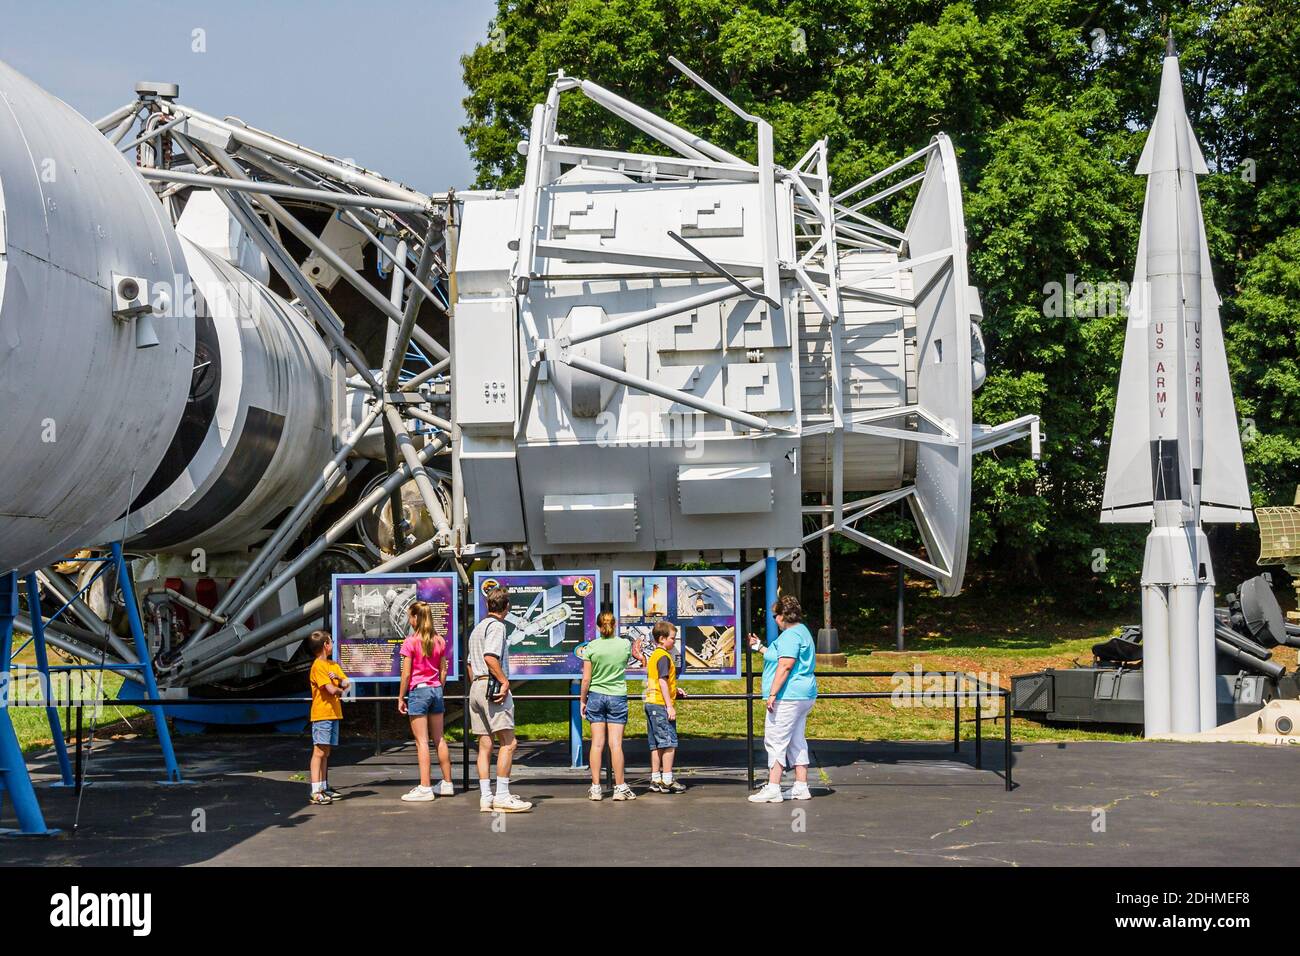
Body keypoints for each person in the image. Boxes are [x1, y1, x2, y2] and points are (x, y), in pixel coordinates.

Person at [746, 594, 818, 803]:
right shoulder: (801, 632)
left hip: (788, 696)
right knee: (796, 739)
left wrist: (773, 694)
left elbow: (785, 665)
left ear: (782, 616)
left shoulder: (789, 636)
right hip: (804, 694)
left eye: (775, 616)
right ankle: (801, 786)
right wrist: (759, 647)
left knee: (775, 740)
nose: (774, 620)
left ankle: (774, 787)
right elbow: (779, 656)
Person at [467, 586, 532, 813]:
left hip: (476, 686)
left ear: (487, 605)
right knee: (509, 742)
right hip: (491, 685)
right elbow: (490, 657)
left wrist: (478, 681)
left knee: (485, 744)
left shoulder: (477, 629)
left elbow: (469, 662)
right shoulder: (497, 627)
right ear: (507, 607)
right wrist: (503, 681)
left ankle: (486, 796)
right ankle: (502, 795)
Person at [578, 610, 643, 801]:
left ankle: (596, 788)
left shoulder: (591, 647)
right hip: (617, 696)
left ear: (598, 627)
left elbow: (586, 679)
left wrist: (583, 700)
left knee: (597, 744)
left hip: (596, 696)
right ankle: (620, 787)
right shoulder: (624, 644)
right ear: (614, 625)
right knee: (616, 745)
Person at [397, 601, 454, 802]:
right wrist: (438, 687)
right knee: (439, 738)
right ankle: (447, 783)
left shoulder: (410, 642)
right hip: (436, 690)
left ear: (415, 618)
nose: (408, 619)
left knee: (422, 741)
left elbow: (406, 674)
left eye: (409, 616)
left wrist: (400, 697)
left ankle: (425, 787)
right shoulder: (439, 641)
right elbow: (444, 669)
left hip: (418, 692)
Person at [643, 620, 687, 793]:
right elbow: (662, 681)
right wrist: (670, 705)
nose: (674, 642)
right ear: (661, 639)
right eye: (672, 638)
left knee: (656, 744)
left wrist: (675, 690)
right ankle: (667, 779)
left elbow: (664, 681)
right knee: (669, 743)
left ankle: (656, 778)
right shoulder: (663, 656)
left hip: (651, 702)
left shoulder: (654, 655)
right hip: (660, 704)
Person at [307, 630, 350, 805]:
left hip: (333, 713)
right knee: (319, 751)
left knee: (326, 751)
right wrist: (341, 690)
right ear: (325, 645)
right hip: (322, 714)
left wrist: (339, 679)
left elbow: (348, 684)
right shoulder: (318, 666)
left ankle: (324, 786)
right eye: (331, 641)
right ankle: (315, 790)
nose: (332, 644)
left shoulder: (333, 666)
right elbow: (332, 690)